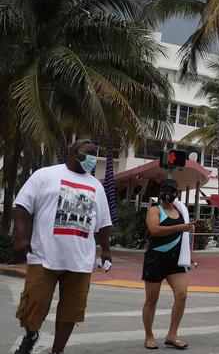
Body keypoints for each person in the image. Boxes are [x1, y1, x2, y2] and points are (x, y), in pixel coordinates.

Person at [12, 139, 113, 354]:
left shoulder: (97, 185)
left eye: (96, 154)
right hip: (44, 254)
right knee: (33, 305)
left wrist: (106, 249)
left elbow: (104, 222)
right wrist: (20, 237)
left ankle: (57, 351)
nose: (93, 158)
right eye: (88, 153)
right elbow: (21, 206)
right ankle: (31, 335)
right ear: (73, 152)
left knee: (71, 311)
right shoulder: (45, 175)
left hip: (80, 260)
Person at [142, 178, 194, 350]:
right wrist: (180, 228)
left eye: (171, 190)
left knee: (182, 295)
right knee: (151, 300)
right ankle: (149, 336)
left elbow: (183, 236)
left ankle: (172, 335)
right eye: (164, 190)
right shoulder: (155, 210)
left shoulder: (181, 211)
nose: (168, 193)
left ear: (176, 194)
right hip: (155, 259)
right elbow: (155, 230)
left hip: (175, 260)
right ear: (159, 193)